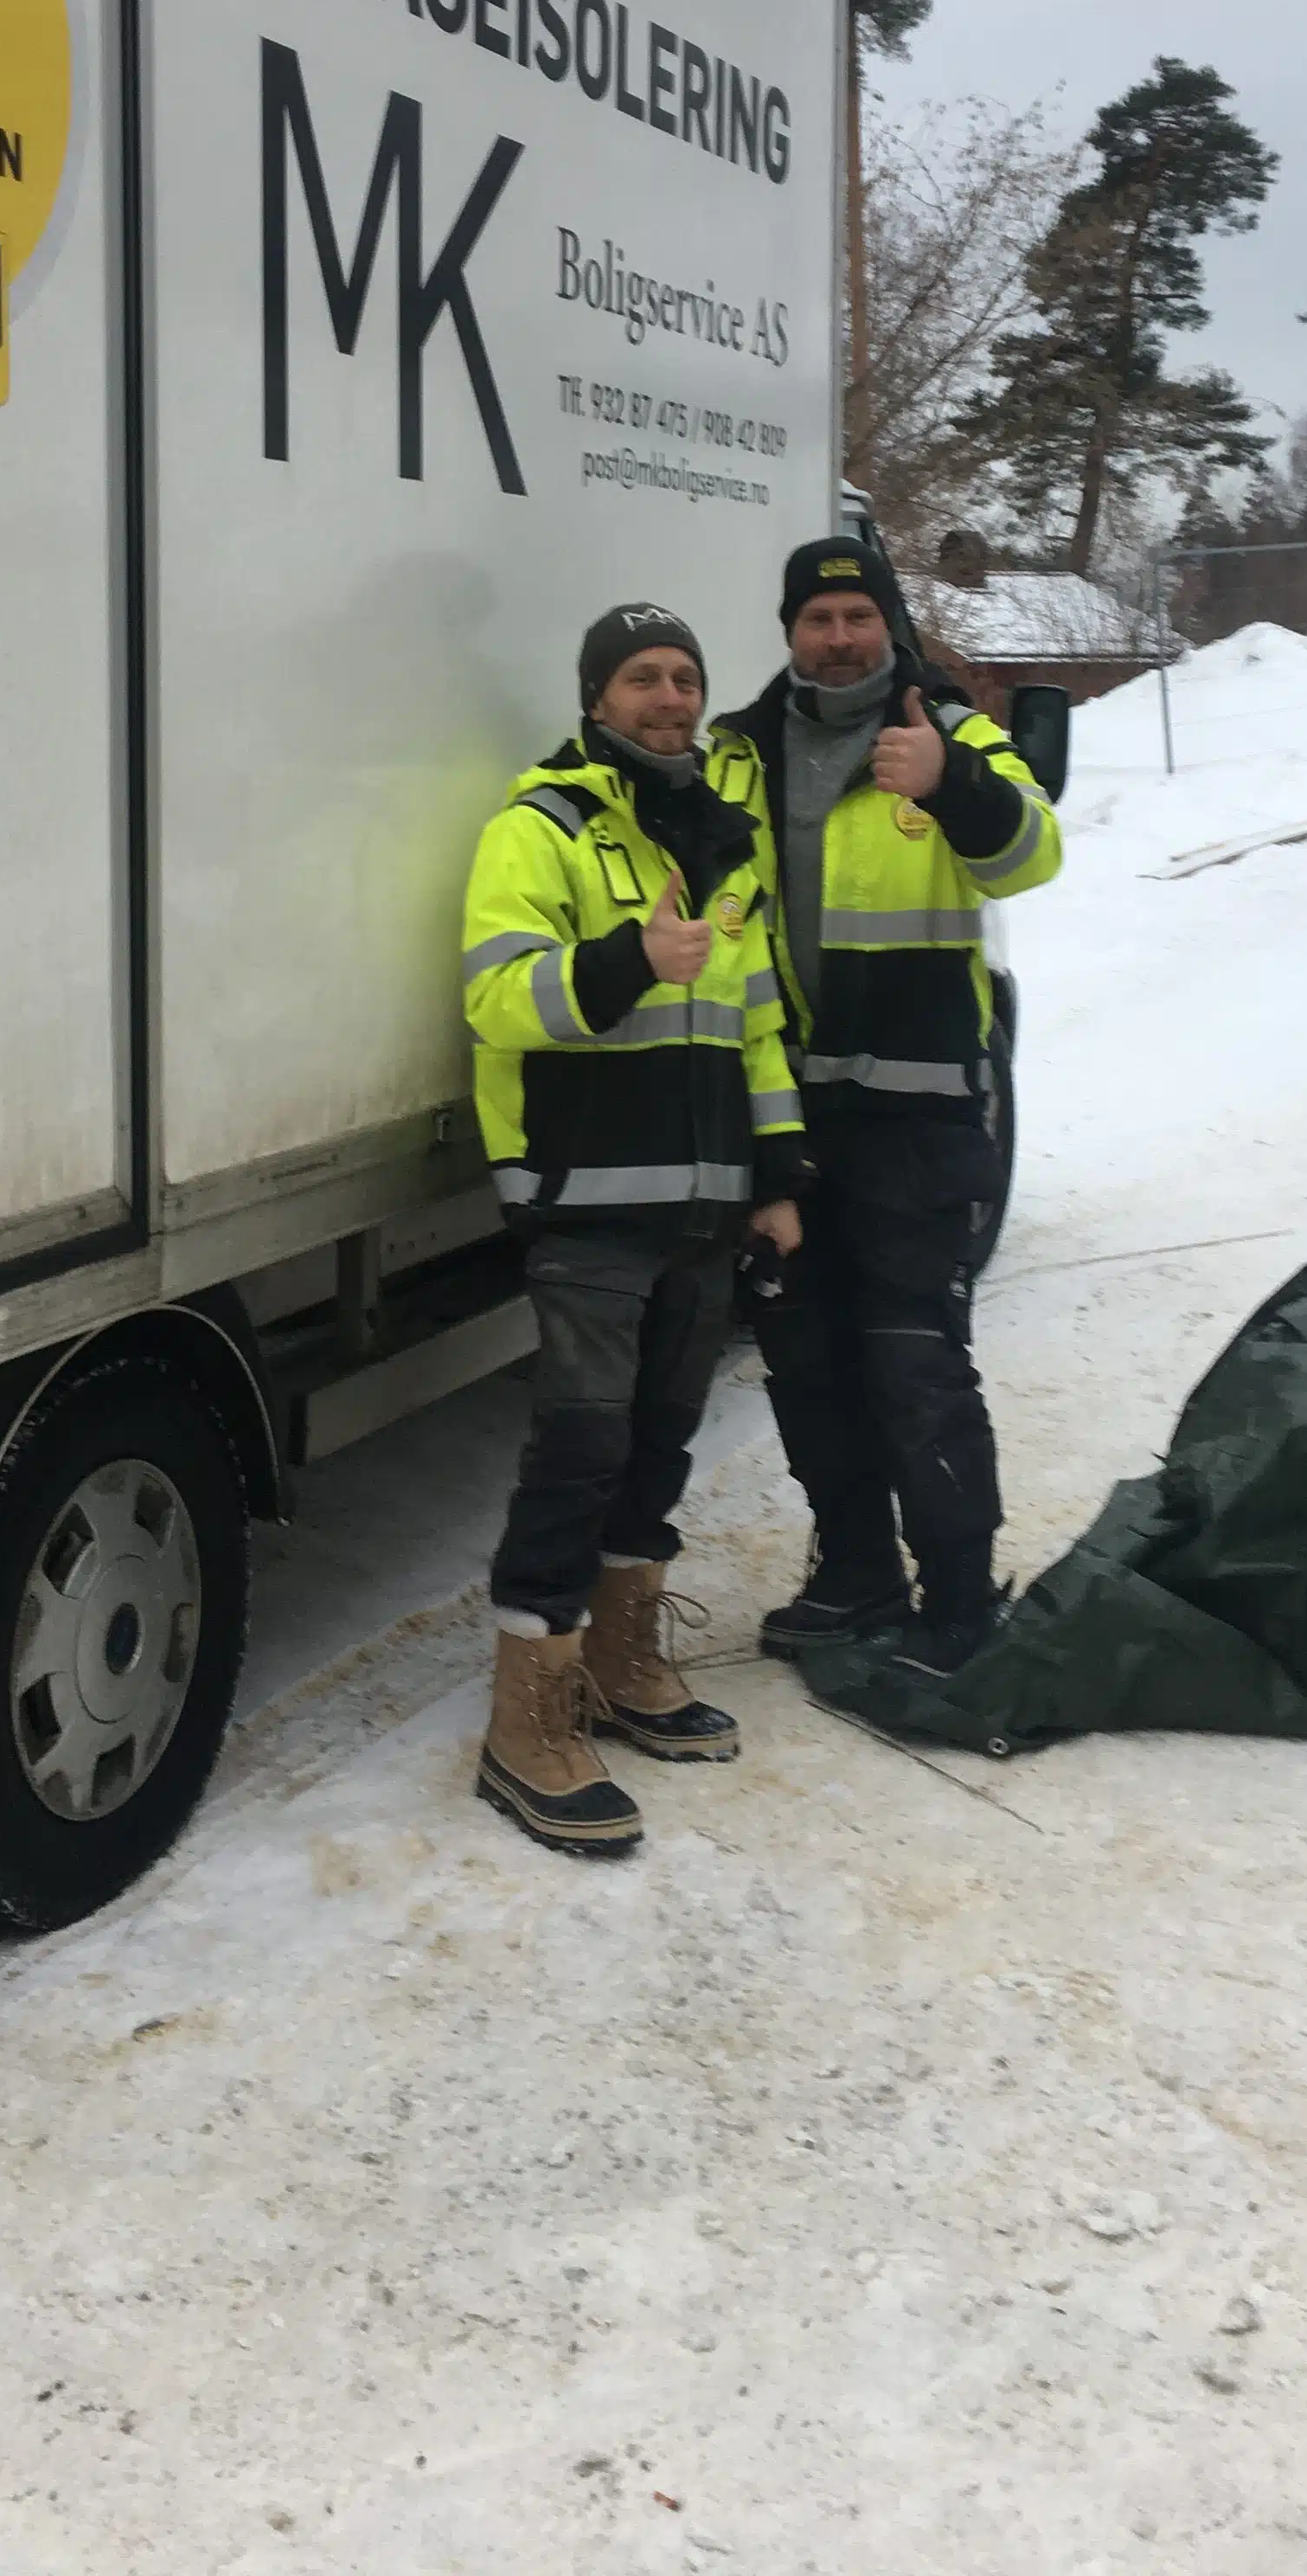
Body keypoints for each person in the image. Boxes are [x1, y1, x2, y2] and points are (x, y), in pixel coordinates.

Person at [461, 602, 807, 1857]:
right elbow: (498, 1000)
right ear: (596, 699)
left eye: (683, 679)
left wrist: (778, 1177)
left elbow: (756, 1024)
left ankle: (616, 1664)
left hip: (707, 1206)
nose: (667, 698)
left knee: (659, 1444)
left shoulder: (725, 840)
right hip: (591, 1205)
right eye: (641, 679)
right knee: (578, 1455)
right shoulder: (539, 826)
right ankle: (526, 1723)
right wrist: (627, 960)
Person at [708, 536, 1061, 1673]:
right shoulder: (738, 756)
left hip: (914, 1123)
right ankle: (857, 1571)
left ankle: (960, 1599)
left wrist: (950, 787)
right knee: (807, 1363)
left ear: (892, 626)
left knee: (915, 1360)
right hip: (786, 1123)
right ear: (791, 633)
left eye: (860, 615)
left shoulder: (953, 735)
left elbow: (1031, 857)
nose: (841, 636)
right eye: (819, 619)